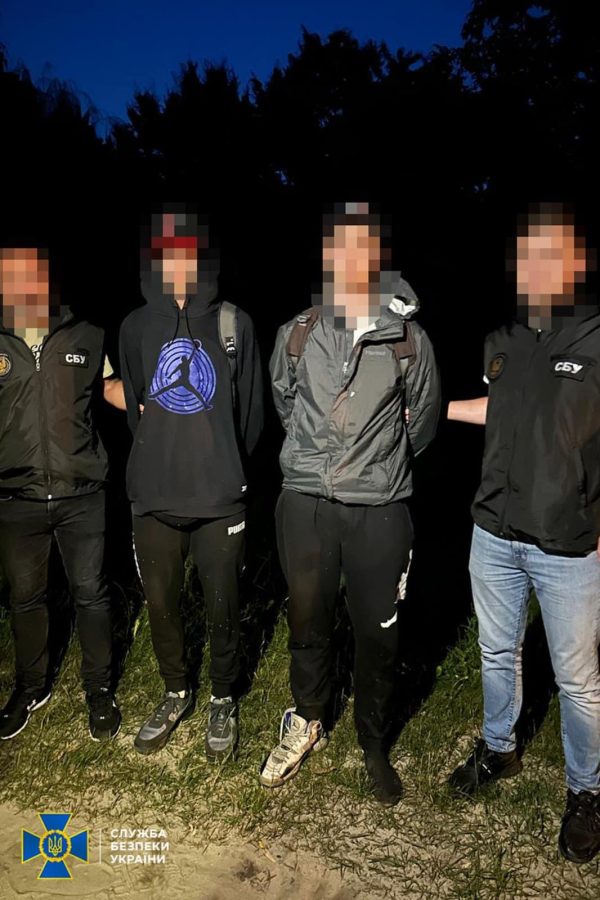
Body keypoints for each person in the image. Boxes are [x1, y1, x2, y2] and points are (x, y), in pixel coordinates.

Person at [261, 202, 440, 804]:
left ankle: (373, 741)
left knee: (378, 635)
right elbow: (286, 406)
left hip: (380, 509)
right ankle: (308, 718)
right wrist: (317, 463)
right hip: (305, 504)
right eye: (340, 246)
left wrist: (374, 464)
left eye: (363, 246)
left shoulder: (410, 341)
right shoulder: (298, 332)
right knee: (307, 619)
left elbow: (423, 426)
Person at [448, 203, 600, 864]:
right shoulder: (502, 338)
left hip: (570, 543)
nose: (535, 266)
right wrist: (434, 409)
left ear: (577, 262)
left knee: (578, 680)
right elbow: (503, 410)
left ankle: (586, 792)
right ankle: (499, 750)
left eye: (550, 253)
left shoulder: (596, 336)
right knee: (496, 651)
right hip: (494, 531)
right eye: (527, 254)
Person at [119, 203, 263, 760]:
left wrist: (220, 461)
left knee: (224, 605)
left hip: (219, 499)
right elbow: (138, 409)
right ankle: (176, 690)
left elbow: (251, 418)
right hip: (152, 496)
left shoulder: (234, 324)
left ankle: (223, 697)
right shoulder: (135, 327)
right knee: (162, 606)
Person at [0, 244, 121, 742]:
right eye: (10, 275)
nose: (21, 284)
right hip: (16, 495)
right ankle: (30, 687)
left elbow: (110, 386)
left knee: (90, 594)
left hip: (81, 492)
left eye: (29, 273)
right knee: (25, 598)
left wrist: (157, 399)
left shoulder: (86, 332)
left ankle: (100, 690)